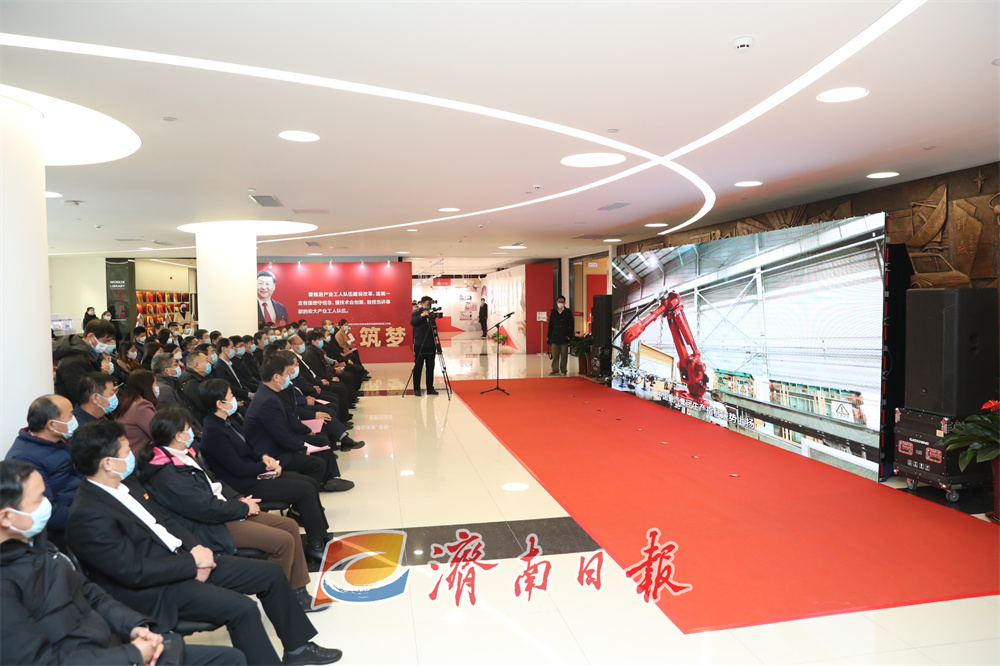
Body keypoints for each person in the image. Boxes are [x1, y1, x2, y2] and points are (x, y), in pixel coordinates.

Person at [66, 421, 343, 666]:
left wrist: (196, 548)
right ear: (107, 462)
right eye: (126, 450)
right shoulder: (88, 515)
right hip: (157, 588)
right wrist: (191, 564)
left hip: (183, 560)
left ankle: (298, 649)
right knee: (243, 608)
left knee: (270, 574)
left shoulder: (127, 484)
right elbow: (133, 571)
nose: (132, 455)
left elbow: (166, 520)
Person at [0, 460, 247, 666]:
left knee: (230, 659)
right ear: (7, 517)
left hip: (111, 645)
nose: (48, 505)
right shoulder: (7, 581)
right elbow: (40, 661)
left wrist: (134, 627)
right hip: (102, 656)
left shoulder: (38, 545)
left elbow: (91, 594)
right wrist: (133, 654)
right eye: (39, 500)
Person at [138, 405, 317, 609]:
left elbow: (215, 482)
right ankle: (279, 600)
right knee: (282, 541)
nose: (192, 433)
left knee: (290, 526)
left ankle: (297, 590)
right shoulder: (166, 472)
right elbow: (203, 508)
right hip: (210, 524)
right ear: (178, 436)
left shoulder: (184, 454)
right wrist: (242, 508)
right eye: (188, 429)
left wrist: (240, 499)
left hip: (225, 509)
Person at [198, 383, 332, 563]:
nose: (235, 400)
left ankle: (321, 535)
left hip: (254, 473)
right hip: (242, 485)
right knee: (305, 489)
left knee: (309, 482)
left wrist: (265, 458)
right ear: (219, 403)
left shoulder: (228, 421)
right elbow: (238, 469)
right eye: (230, 397)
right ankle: (315, 544)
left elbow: (249, 447)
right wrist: (266, 468)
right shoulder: (214, 432)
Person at [244, 354, 354, 492]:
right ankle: (311, 490)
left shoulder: (269, 392)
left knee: (320, 439)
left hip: (278, 440)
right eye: (286, 373)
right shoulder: (269, 400)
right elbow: (281, 433)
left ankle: (329, 480)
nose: (289, 375)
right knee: (317, 458)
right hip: (270, 451)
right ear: (276, 377)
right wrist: (301, 447)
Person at [5, 395, 80, 549]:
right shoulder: (25, 458)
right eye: (70, 415)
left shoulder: (60, 440)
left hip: (80, 501)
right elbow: (47, 512)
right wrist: (90, 513)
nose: (74, 419)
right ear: (52, 425)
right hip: (64, 526)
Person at [53, 319, 117, 401]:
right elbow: (79, 393)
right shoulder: (74, 360)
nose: (107, 345)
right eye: (105, 341)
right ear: (90, 336)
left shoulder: (92, 355)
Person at [112, 370, 159, 454]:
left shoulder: (127, 402)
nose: (157, 387)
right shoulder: (141, 406)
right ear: (147, 386)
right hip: (140, 456)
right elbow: (159, 433)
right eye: (155, 383)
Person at [411, 296, 439, 396]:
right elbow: (413, 323)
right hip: (420, 343)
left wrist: (435, 330)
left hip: (431, 343)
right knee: (418, 367)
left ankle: (430, 388)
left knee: (430, 367)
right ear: (422, 304)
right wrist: (421, 315)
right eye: (427, 304)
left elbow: (434, 326)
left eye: (430, 304)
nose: (429, 306)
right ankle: (416, 388)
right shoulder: (417, 312)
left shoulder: (431, 313)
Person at [547, 294, 574, 376]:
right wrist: (548, 336)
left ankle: (563, 370)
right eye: (559, 301)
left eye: (562, 302)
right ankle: (555, 370)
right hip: (555, 337)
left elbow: (571, 324)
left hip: (564, 336)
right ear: (557, 302)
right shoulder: (553, 312)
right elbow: (550, 325)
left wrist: (570, 335)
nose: (560, 303)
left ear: (564, 303)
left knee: (564, 355)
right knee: (555, 355)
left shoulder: (568, 312)